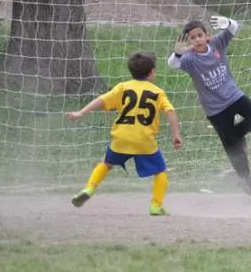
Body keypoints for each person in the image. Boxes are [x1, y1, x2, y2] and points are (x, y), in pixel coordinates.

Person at [66, 52, 182, 215]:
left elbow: (101, 99)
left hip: (121, 137)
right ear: (152, 72)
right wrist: (176, 135)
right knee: (160, 171)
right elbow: (170, 112)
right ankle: (156, 206)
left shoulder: (122, 87)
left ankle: (89, 189)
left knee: (105, 163)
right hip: (144, 141)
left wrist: (81, 112)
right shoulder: (158, 92)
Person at [168, 15, 251, 196]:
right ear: (188, 41)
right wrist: (179, 52)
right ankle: (246, 180)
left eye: (199, 35)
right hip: (215, 110)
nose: (197, 40)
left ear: (207, 35)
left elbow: (234, 27)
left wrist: (227, 22)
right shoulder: (189, 59)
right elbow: (172, 64)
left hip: (234, 96)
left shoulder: (217, 45)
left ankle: (238, 136)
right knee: (232, 146)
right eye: (192, 38)